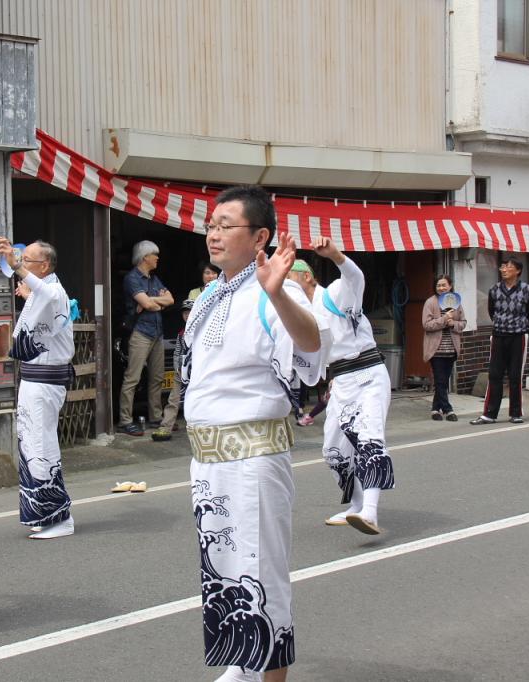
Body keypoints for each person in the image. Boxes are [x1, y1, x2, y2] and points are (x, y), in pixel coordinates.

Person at [182, 185, 326, 682]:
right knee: (222, 567)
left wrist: (277, 293)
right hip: (209, 456)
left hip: (253, 457)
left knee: (261, 571)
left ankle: (267, 674)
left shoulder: (274, 290)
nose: (213, 234)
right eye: (210, 225)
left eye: (226, 226)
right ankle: (243, 662)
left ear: (260, 236)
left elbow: (311, 349)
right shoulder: (209, 295)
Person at [0, 237, 76, 538]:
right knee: (31, 446)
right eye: (22, 258)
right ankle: (44, 514)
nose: (21, 262)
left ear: (45, 265)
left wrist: (16, 267)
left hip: (45, 381)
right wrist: (28, 293)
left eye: (26, 259)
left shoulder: (54, 291)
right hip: (33, 380)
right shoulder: (44, 292)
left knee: (41, 447)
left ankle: (60, 518)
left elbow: (47, 296)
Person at [311, 238, 396, 535]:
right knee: (334, 448)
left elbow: (355, 277)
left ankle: (370, 511)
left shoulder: (333, 293)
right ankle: (357, 506)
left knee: (369, 439)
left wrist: (335, 255)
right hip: (341, 379)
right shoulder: (298, 311)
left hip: (367, 374)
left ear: (306, 277)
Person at [471, 256, 529, 425]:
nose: (504, 269)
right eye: (502, 267)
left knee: (515, 375)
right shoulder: (494, 290)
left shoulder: (527, 290)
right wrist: (502, 324)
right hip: (499, 336)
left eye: (508, 266)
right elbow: (491, 311)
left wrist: (522, 328)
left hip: (518, 336)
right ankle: (489, 413)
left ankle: (516, 413)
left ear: (518, 270)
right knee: (494, 375)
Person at [118, 240, 174, 436]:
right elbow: (150, 305)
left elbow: (170, 300)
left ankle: (156, 417)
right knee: (133, 377)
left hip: (157, 332)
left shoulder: (153, 279)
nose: (157, 258)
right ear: (144, 257)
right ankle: (125, 420)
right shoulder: (132, 278)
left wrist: (150, 300)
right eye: (154, 254)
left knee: (157, 377)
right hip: (140, 332)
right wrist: (153, 302)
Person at [285, 259, 326, 425]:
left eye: (288, 277)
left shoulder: (328, 298)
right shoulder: (296, 303)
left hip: (356, 370)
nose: (284, 282)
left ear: (307, 277)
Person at [422, 274, 466, 421]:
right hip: (436, 349)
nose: (441, 288)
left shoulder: (456, 302)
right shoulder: (430, 302)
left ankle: (435, 409)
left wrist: (453, 324)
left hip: (451, 349)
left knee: (443, 382)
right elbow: (426, 325)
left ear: (450, 286)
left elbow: (463, 322)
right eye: (438, 285)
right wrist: (444, 319)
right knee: (440, 381)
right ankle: (448, 410)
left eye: (444, 285)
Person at [151, 298, 194, 441]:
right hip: (181, 371)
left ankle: (202, 427)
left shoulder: (202, 331)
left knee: (197, 399)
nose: (187, 315)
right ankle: (166, 427)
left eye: (190, 312)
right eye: (185, 313)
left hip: (197, 372)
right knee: (173, 399)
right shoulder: (182, 333)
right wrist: (177, 367)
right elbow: (177, 352)